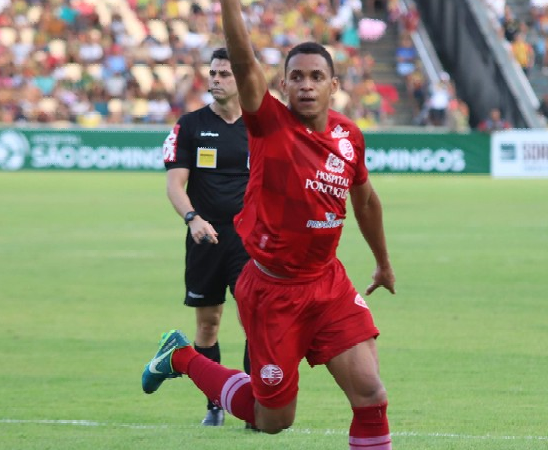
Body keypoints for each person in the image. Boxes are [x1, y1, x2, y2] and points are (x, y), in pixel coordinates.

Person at [143, 0, 396, 448]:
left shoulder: (348, 136)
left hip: (328, 283)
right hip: (272, 292)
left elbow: (367, 200)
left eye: (317, 77)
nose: (306, 85)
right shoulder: (268, 124)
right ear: (281, 84)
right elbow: (242, 57)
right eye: (296, 76)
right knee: (271, 419)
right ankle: (181, 356)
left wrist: (382, 262)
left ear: (334, 86)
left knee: (371, 394)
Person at [160, 47, 252, 428]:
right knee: (208, 324)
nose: (215, 79)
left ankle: (255, 404)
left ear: (242, 78)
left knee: (255, 322)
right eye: (213, 73)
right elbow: (174, 185)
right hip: (205, 238)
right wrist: (192, 218)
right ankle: (214, 402)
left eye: (225, 74)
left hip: (250, 241)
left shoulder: (261, 126)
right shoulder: (191, 125)